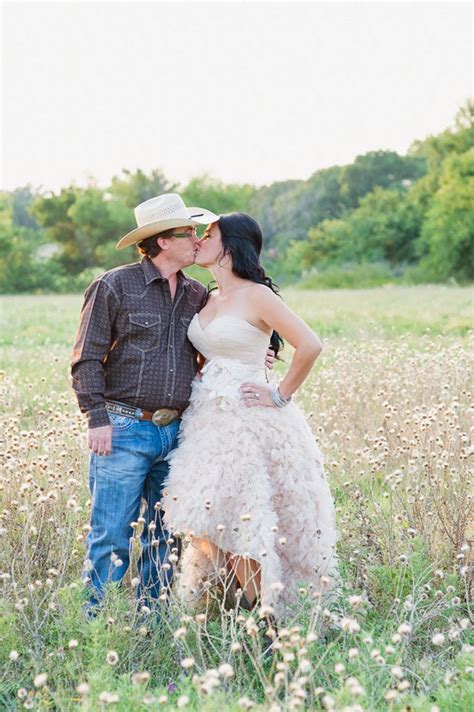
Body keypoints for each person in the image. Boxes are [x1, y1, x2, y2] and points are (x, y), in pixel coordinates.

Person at [161, 213, 339, 631]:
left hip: (249, 420)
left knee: (245, 517)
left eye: (208, 234)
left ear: (231, 246)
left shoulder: (256, 295)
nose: (199, 239)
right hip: (207, 420)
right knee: (207, 519)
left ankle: (268, 622)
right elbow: (213, 350)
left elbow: (310, 344)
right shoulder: (207, 297)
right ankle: (237, 608)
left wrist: (278, 393)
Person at [71, 193, 220, 610]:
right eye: (187, 232)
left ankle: (150, 623)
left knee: (165, 535)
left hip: (178, 433)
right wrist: (96, 418)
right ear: (161, 241)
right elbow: (85, 358)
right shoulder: (113, 285)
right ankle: (97, 623)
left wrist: (262, 352)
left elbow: (221, 341)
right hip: (123, 427)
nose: (196, 238)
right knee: (111, 534)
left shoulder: (196, 294)